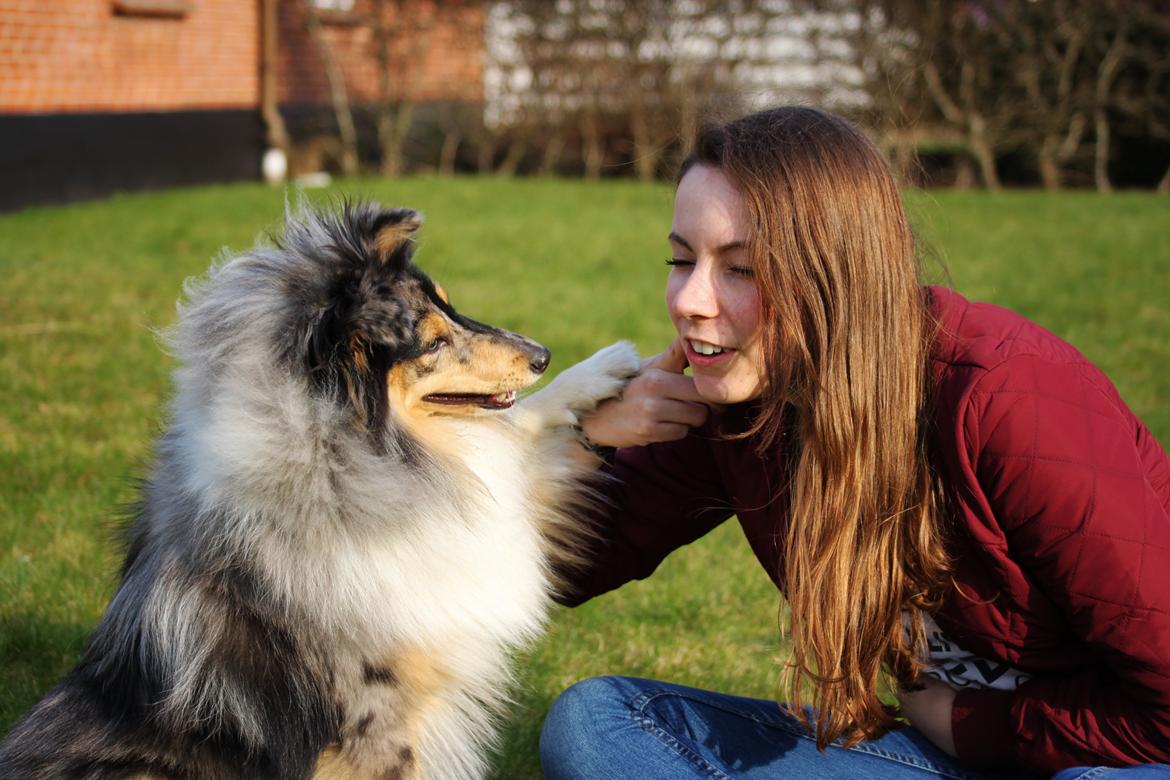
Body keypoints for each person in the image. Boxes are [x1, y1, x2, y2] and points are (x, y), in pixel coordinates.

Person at [538, 106, 1170, 779]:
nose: (690, 299)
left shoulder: (1008, 399)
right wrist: (585, 439)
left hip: (1116, 753)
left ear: (838, 278)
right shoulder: (740, 408)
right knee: (599, 722)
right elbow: (557, 573)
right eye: (681, 259)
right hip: (943, 756)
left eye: (741, 270)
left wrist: (961, 724)